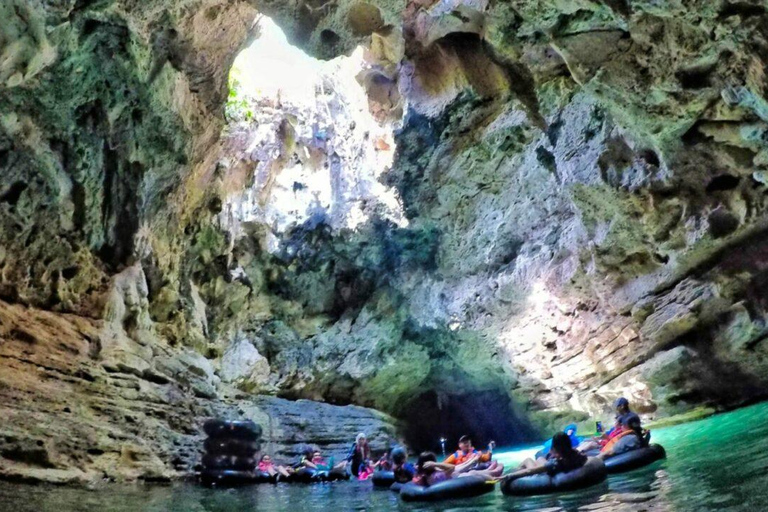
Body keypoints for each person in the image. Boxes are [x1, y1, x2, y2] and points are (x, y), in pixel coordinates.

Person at [505, 432, 587, 482]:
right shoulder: (578, 456)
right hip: (555, 461)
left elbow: (530, 471)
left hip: (542, 473)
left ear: (555, 448)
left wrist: (509, 476)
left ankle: (516, 470)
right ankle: (517, 469)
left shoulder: (555, 464)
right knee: (540, 458)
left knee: (528, 460)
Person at [577, 397, 642, 453]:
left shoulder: (629, 419)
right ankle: (576, 451)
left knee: (591, 444)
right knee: (587, 440)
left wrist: (606, 437)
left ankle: (577, 453)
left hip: (610, 442)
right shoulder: (621, 418)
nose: (616, 409)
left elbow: (618, 440)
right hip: (608, 439)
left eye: (617, 407)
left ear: (622, 406)